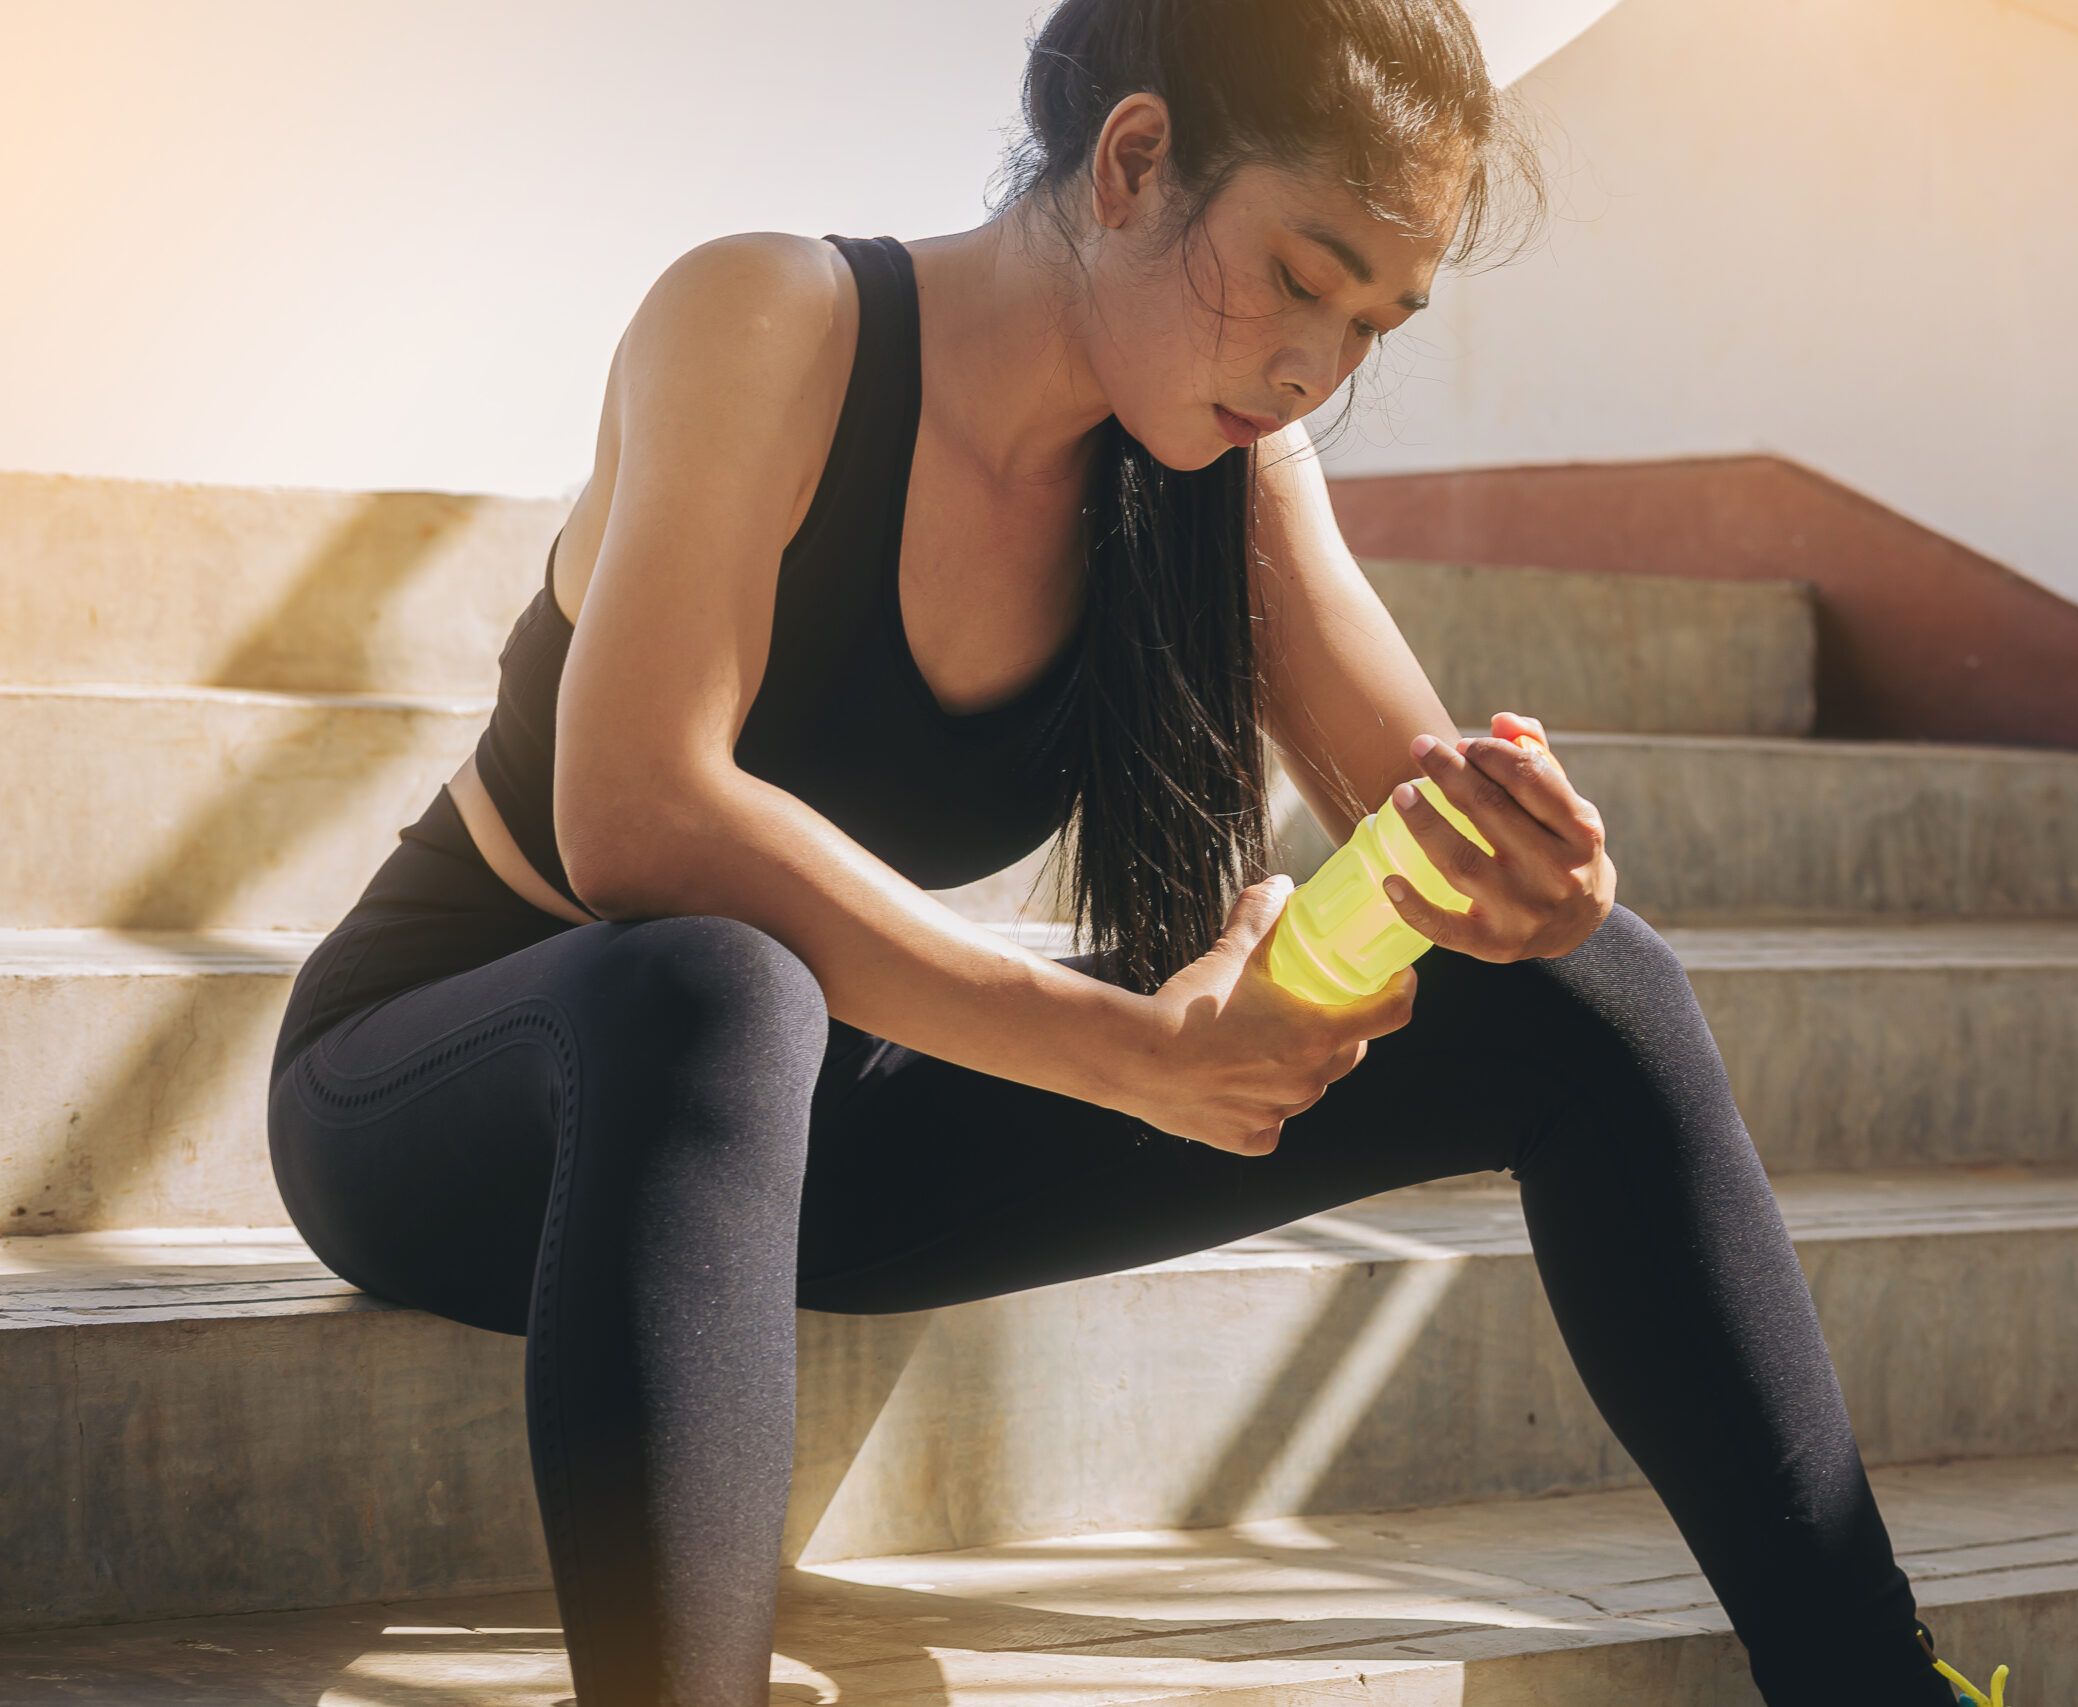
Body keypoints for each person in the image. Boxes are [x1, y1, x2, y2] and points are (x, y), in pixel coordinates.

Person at [266, 0, 1973, 1700]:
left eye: (1378, 320)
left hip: (803, 1136)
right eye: (1303, 276)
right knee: (720, 984)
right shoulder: (770, 319)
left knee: (1587, 993)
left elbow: (1424, 823)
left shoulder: (1229, 458)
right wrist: (1132, 1056)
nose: (1320, 363)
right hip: (465, 1099)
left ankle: (1871, 1686)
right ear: (1135, 164)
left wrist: (1531, 878)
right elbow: (639, 814)